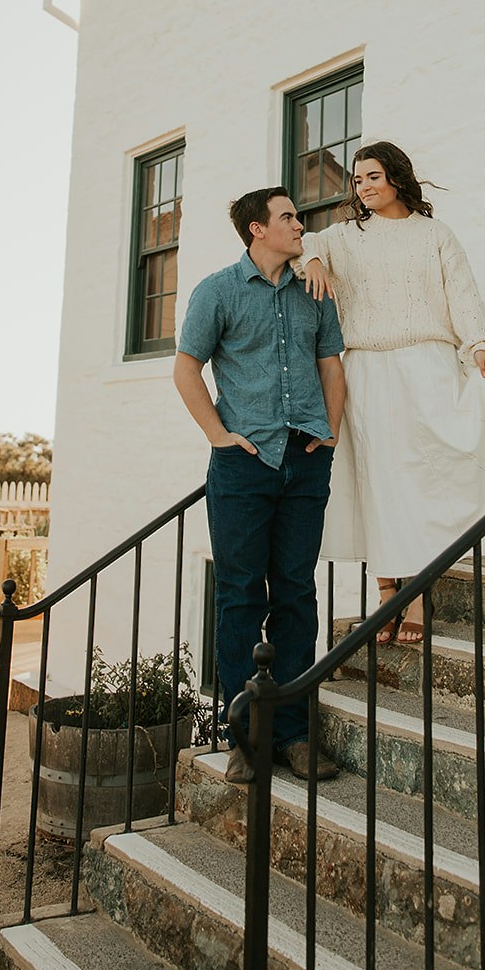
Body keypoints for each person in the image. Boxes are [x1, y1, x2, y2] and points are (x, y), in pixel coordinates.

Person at [299, 142, 485, 644]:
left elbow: (462, 292)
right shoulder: (344, 237)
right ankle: (386, 593)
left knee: (425, 478)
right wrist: (315, 259)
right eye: (358, 180)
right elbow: (306, 242)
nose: (364, 187)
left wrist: (477, 344)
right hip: (366, 371)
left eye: (374, 177)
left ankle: (419, 593)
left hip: (427, 364)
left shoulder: (435, 234)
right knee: (376, 478)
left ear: (397, 178)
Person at [174, 186, 345, 785]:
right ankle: (245, 738)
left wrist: (331, 433)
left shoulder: (314, 291)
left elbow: (331, 366)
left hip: (305, 460)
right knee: (241, 594)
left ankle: (296, 736)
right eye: (289, 217)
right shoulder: (216, 291)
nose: (301, 225)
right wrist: (220, 437)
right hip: (244, 465)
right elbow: (186, 369)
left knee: (296, 594)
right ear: (257, 229)